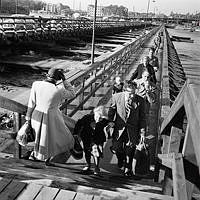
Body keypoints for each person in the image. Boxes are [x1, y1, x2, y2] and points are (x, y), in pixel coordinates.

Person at [25, 68, 76, 163]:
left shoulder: (36, 84)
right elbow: (73, 94)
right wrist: (65, 80)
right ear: (58, 78)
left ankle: (35, 155)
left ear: (47, 75)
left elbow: (31, 103)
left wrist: (28, 118)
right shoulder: (59, 89)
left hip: (37, 114)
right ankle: (46, 158)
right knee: (51, 138)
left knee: (38, 137)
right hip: (52, 117)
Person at [108, 81, 146, 177]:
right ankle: (121, 159)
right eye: (130, 93)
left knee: (130, 149)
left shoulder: (140, 100)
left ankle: (127, 168)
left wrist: (142, 132)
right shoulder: (116, 97)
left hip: (132, 129)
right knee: (116, 148)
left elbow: (142, 118)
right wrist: (110, 120)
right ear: (125, 91)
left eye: (133, 93)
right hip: (119, 128)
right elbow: (111, 110)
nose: (132, 96)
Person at [73, 105, 113, 175]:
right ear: (96, 113)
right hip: (86, 136)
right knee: (87, 151)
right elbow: (78, 123)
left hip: (98, 138)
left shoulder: (104, 120)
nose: (100, 119)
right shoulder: (87, 117)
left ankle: (96, 167)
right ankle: (88, 165)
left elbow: (110, 123)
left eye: (101, 118)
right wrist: (75, 133)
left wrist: (111, 125)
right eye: (99, 117)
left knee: (96, 152)